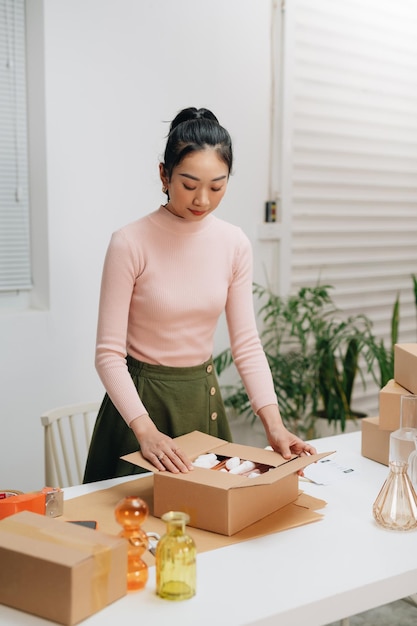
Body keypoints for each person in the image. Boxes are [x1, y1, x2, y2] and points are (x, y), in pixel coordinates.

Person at [83, 106, 316, 484]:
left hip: (201, 399)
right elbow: (108, 355)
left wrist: (273, 425)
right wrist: (145, 430)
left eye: (217, 186)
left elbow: (246, 344)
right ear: (164, 174)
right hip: (140, 407)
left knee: (211, 527)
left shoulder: (233, 244)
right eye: (189, 185)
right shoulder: (129, 243)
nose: (202, 200)